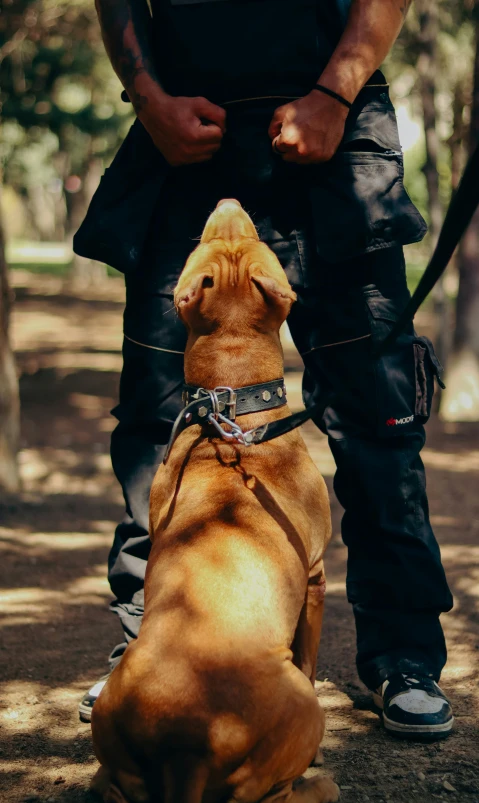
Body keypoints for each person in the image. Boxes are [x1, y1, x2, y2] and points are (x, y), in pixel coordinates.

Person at [76, 0, 454, 739]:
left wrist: (335, 92)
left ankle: (403, 658)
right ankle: (148, 642)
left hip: (335, 136)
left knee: (378, 416)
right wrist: (148, 99)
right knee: (160, 420)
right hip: (183, 140)